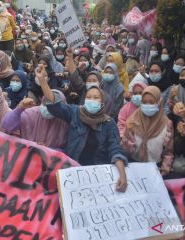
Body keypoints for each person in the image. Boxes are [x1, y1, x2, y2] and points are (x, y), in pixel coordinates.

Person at [36, 64, 128, 192]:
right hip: (73, 169)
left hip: (98, 173)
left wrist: (123, 175)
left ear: (103, 103)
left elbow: (115, 149)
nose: (91, 100)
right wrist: (42, 82)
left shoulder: (109, 123)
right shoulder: (75, 113)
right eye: (88, 97)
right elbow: (55, 105)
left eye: (96, 98)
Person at [121, 86, 174, 176]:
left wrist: (165, 168)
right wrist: (126, 136)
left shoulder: (167, 125)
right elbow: (125, 150)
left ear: (159, 103)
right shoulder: (132, 121)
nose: (147, 105)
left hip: (156, 169)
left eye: (151, 102)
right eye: (144, 102)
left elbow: (168, 152)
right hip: (134, 167)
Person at [2, 91, 69, 150]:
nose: (48, 108)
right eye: (45, 103)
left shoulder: (65, 121)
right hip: (26, 156)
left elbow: (67, 149)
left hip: (51, 162)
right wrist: (19, 109)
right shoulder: (31, 113)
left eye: (52, 105)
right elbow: (7, 126)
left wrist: (48, 150)